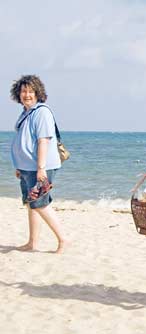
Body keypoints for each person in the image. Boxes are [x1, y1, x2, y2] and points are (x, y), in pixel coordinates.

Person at [10, 75, 68, 254]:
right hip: (28, 167)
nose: (26, 94)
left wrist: (41, 168)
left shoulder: (41, 111)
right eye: (23, 91)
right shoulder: (27, 112)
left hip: (40, 167)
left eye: (30, 91)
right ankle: (32, 243)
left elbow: (43, 141)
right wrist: (20, 166)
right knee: (31, 204)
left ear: (38, 93)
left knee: (40, 203)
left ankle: (64, 240)